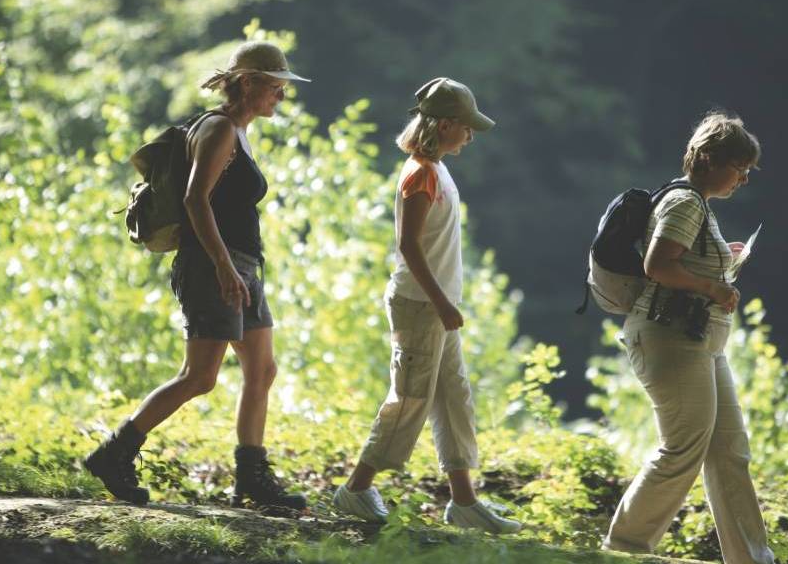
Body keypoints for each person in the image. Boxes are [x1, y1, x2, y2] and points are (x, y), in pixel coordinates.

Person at [84, 41, 310, 510]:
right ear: (247, 83)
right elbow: (194, 200)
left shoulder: (237, 131)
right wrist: (226, 267)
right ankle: (114, 453)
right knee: (200, 375)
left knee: (262, 369)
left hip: (240, 267)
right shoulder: (219, 128)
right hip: (214, 267)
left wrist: (238, 268)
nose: (281, 97)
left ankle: (252, 476)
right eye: (274, 87)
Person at [331, 77, 521, 534]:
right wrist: (442, 302)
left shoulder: (436, 168)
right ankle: (355, 490)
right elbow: (408, 247)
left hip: (437, 306)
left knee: (453, 398)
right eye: (466, 126)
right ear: (443, 124)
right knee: (411, 398)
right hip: (421, 305)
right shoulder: (420, 173)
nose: (470, 135)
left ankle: (464, 502)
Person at [602, 111, 775, 563]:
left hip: (700, 341)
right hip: (672, 337)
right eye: (739, 169)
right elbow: (658, 265)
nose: (742, 179)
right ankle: (623, 549)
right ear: (712, 159)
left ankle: (751, 558)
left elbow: (682, 258)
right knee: (683, 447)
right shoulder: (686, 203)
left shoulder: (695, 204)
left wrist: (723, 261)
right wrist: (713, 286)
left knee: (728, 451)